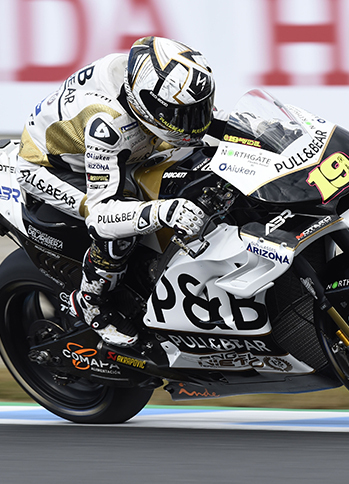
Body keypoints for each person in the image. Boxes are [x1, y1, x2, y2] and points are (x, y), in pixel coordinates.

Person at [16, 36, 226, 348]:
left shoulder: (157, 86)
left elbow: (215, 124)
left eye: (197, 111)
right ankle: (92, 301)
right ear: (145, 103)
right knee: (121, 227)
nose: (193, 125)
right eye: (182, 117)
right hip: (52, 166)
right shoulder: (108, 124)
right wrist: (165, 212)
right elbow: (101, 216)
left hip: (123, 151)